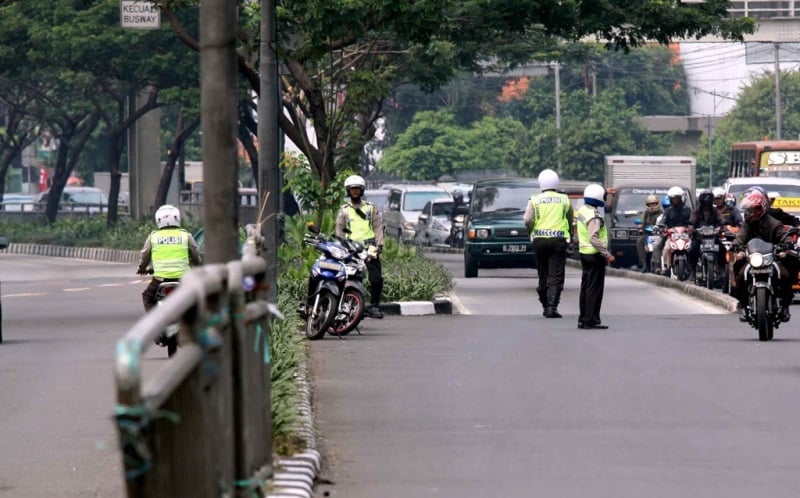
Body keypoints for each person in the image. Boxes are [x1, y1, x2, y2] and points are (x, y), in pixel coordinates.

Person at [731, 188, 799, 323]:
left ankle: (785, 306)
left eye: (751, 211)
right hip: (752, 258)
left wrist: (786, 247)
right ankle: (744, 306)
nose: (748, 214)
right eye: (747, 211)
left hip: (772, 258)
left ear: (760, 209)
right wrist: (738, 248)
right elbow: (740, 237)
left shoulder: (774, 223)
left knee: (785, 275)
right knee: (739, 275)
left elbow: (784, 236)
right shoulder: (747, 225)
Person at [524, 169, 573, 318]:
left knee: (542, 271)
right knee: (556, 274)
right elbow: (570, 219)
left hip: (539, 240)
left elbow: (527, 219)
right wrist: (569, 234)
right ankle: (552, 306)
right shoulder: (564, 199)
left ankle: (545, 303)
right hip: (558, 240)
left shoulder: (534, 199)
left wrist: (531, 232)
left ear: (540, 183)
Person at [335, 174, 385, 319]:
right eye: (352, 189)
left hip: (369, 246)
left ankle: (374, 306)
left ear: (362, 190)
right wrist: (341, 246)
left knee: (376, 278)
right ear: (348, 191)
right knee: (352, 277)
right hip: (351, 248)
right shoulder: (344, 210)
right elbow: (339, 230)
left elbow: (378, 227)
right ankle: (352, 305)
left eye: (357, 189)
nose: (355, 191)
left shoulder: (370, 208)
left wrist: (379, 245)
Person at [136, 204, 203, 312]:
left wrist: (142, 268)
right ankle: (192, 324)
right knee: (195, 297)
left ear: (158, 220)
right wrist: (198, 265)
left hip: (160, 280)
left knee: (147, 297)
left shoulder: (153, 237)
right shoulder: (186, 235)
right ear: (177, 218)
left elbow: (144, 255)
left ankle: (154, 321)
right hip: (183, 279)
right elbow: (195, 254)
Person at [576, 184, 614, 329]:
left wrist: (605, 191)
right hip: (595, 254)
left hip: (584, 253)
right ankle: (590, 320)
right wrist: (607, 254)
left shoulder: (583, 210)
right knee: (594, 289)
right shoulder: (594, 216)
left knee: (586, 286)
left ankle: (583, 318)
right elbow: (594, 238)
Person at [688, 191, 725, 282]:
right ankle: (692, 271)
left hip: (713, 237)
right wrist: (692, 228)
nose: (706, 206)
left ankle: (721, 269)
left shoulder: (715, 211)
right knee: (692, 249)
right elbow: (691, 222)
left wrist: (723, 225)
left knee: (723, 248)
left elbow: (721, 219)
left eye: (708, 204)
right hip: (700, 238)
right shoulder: (696, 212)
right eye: (705, 204)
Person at [660, 186, 693, 276]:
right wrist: (661, 228)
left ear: (681, 198)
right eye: (673, 199)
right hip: (672, 235)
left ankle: (693, 266)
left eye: (677, 198)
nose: (675, 200)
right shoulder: (667, 211)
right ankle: (666, 266)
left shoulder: (688, 210)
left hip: (686, 235)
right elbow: (663, 220)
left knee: (693, 248)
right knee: (666, 248)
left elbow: (693, 221)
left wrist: (691, 228)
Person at [636, 194, 663, 273]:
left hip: (659, 234)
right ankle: (644, 263)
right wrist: (640, 227)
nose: (652, 206)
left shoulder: (662, 213)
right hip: (647, 234)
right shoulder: (645, 214)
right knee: (639, 241)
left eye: (654, 204)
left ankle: (660, 265)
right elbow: (641, 224)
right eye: (650, 204)